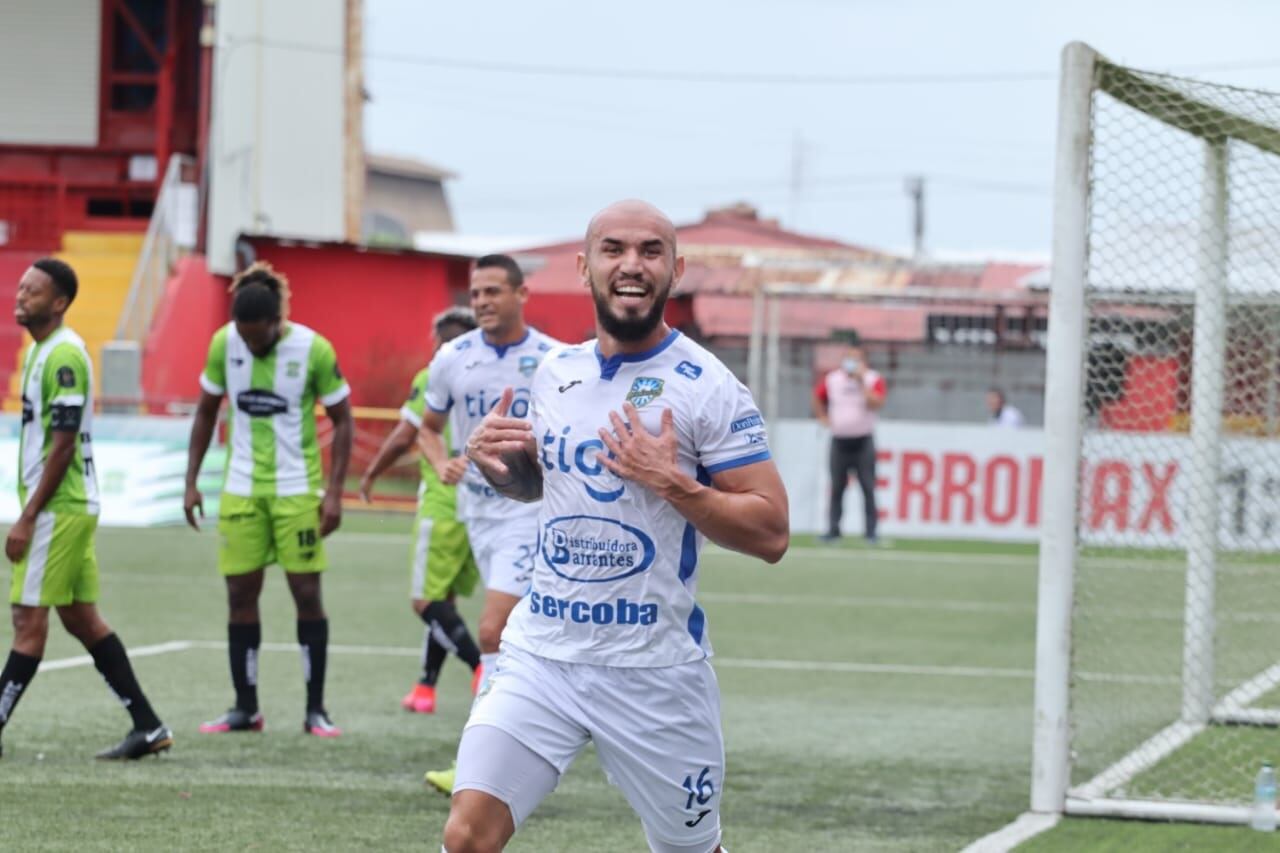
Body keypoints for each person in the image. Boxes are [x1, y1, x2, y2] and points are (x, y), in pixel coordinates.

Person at [442, 200, 789, 853]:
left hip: (652, 671)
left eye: (651, 251)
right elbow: (541, 490)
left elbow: (771, 531)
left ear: (675, 270)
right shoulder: (555, 372)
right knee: (467, 836)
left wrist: (673, 482)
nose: (632, 264)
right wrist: (503, 469)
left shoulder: (708, 387)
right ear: (585, 267)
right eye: (615, 249)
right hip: (541, 654)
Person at [0, 258, 173, 760]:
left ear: (59, 303)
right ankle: (148, 724)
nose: (21, 295)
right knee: (82, 619)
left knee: (27, 622)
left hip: (60, 507)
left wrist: (29, 515)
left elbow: (65, 444)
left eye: (33, 291)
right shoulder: (43, 352)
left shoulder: (63, 357)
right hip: (67, 505)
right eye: (21, 287)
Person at [183, 262, 353, 737]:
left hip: (297, 491)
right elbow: (203, 414)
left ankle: (315, 710)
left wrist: (335, 492)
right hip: (239, 491)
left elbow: (344, 420)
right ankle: (245, 708)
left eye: (259, 336)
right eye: (245, 336)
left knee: (306, 594)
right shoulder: (224, 343)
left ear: (279, 320)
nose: (251, 344)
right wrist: (191, 481)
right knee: (239, 596)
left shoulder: (314, 348)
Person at [417, 254, 561, 794]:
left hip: (530, 510)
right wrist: (441, 461)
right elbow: (428, 428)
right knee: (529, 634)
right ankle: (547, 731)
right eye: (475, 293)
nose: (481, 302)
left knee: (491, 630)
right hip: (475, 510)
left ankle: (477, 768)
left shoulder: (554, 360)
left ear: (522, 295)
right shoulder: (452, 357)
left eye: (493, 291)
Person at [359, 306, 484, 714]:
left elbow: (405, 434)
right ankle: (425, 687)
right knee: (444, 599)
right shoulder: (490, 376)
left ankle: (481, 666)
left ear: (437, 343)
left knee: (425, 602)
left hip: (444, 503)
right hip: (486, 506)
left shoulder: (434, 375)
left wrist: (372, 472)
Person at [813, 342, 886, 544]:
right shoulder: (833, 379)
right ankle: (833, 530)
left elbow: (877, 403)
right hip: (839, 441)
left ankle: (871, 533)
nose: (852, 363)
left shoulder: (873, 379)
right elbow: (818, 397)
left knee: (868, 487)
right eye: (849, 358)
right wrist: (822, 417)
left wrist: (861, 382)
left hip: (863, 441)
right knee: (836, 488)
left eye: (857, 359)